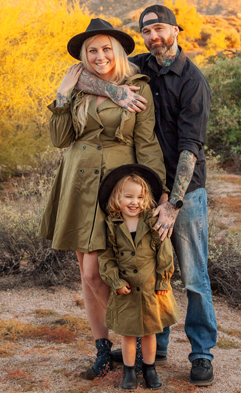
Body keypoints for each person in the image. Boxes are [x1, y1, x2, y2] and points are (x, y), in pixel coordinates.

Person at [75, 5, 217, 386]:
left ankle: (202, 353)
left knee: (193, 277)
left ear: (175, 30)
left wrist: (171, 203)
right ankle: (158, 346)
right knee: (153, 271)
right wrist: (116, 91)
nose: (153, 36)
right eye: (147, 31)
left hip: (183, 194)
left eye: (159, 29)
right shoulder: (140, 65)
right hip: (143, 190)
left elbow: (191, 148)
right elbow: (80, 75)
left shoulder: (192, 81)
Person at [40, 18, 166, 380]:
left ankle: (137, 341)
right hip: (76, 183)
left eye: (106, 48)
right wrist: (62, 95)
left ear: (119, 51)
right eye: (92, 50)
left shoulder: (135, 87)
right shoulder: (78, 87)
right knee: (85, 272)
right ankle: (102, 350)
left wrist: (159, 194)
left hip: (114, 186)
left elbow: (146, 144)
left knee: (99, 273)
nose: (99, 56)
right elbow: (60, 139)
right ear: (84, 55)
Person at [97, 164, 181, 390]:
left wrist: (163, 280)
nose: (134, 202)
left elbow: (164, 251)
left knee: (150, 332)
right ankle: (129, 371)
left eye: (140, 197)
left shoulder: (150, 220)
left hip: (150, 288)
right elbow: (107, 257)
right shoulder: (112, 225)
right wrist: (115, 281)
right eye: (128, 196)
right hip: (125, 290)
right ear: (118, 198)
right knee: (127, 334)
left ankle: (149, 368)